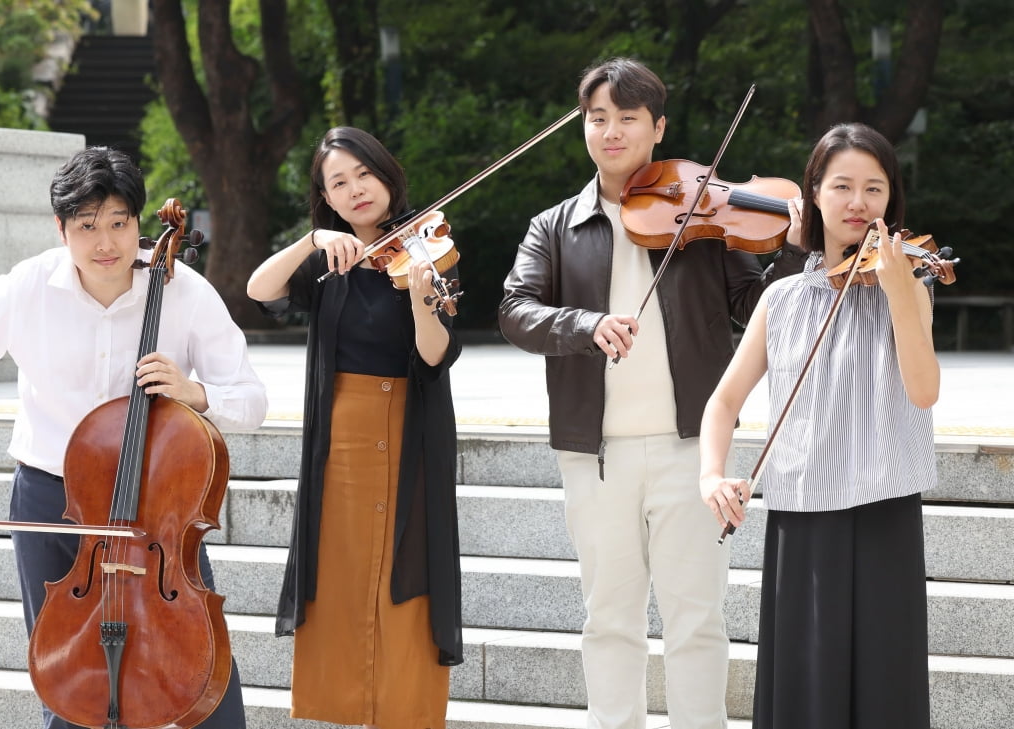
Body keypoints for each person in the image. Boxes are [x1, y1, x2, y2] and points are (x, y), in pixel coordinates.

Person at [0, 146, 268, 729]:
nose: (106, 243)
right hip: (53, 499)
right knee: (73, 680)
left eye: (120, 224)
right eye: (87, 226)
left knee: (204, 679)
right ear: (61, 229)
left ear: (138, 223)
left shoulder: (182, 290)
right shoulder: (25, 288)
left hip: (159, 511)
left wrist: (194, 394)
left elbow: (251, 399)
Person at [497, 57, 808, 729]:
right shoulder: (554, 226)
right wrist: (584, 323)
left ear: (657, 127)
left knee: (697, 616)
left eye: (628, 118)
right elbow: (515, 310)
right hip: (594, 453)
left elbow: (760, 306)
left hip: (692, 448)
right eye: (598, 118)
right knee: (609, 616)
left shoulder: (704, 215)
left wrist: (795, 251)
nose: (611, 131)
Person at [698, 122, 936, 729]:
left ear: (891, 200)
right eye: (843, 186)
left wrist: (901, 293)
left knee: (886, 686)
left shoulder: (909, 286)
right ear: (815, 194)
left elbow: (924, 390)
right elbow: (722, 402)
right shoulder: (781, 298)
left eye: (874, 189)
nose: (859, 203)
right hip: (803, 515)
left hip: (885, 507)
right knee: (808, 691)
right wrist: (712, 475)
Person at [246, 126, 463, 729]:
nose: (355, 189)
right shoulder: (328, 258)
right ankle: (344, 706)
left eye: (363, 173)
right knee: (338, 568)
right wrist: (310, 241)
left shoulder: (427, 245)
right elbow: (259, 290)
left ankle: (406, 711)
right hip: (341, 435)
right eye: (338, 183)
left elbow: (435, 356)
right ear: (327, 199)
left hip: (408, 431)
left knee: (407, 571)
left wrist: (422, 302)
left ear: (387, 175)